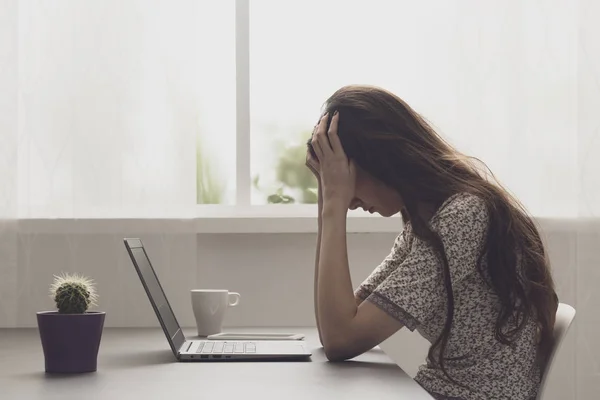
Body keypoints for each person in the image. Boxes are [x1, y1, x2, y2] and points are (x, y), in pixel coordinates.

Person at [306, 85, 558, 400]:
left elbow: (340, 339)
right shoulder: (425, 225)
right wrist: (329, 200)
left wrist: (333, 206)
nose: (349, 200)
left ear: (379, 160)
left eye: (342, 173)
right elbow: (339, 322)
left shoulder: (465, 216)